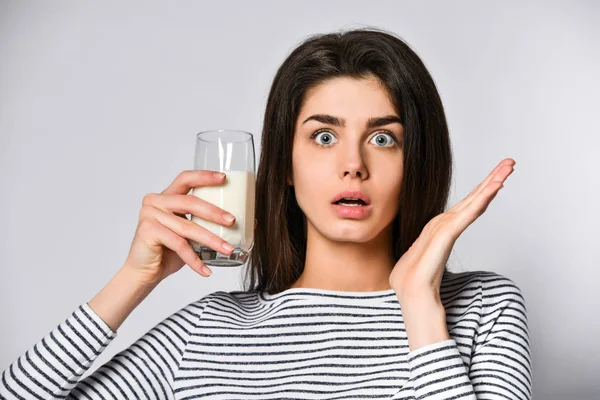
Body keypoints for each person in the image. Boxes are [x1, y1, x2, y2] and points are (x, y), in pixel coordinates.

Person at [0, 27, 531, 399]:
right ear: (284, 166)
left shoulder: (484, 309)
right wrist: (133, 278)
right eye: (324, 136)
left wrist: (418, 304)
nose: (353, 165)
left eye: (383, 138)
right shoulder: (204, 333)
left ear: (418, 161)